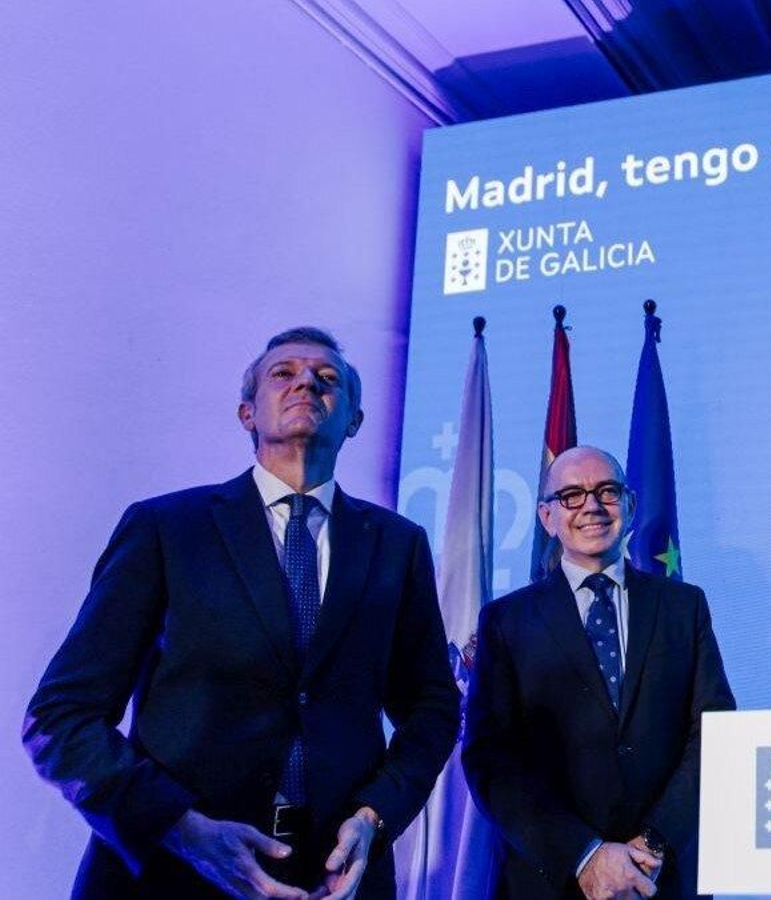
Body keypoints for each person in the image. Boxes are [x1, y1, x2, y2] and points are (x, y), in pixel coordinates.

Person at [24, 328, 459, 899]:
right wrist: (179, 828)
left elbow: (431, 708)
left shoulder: (397, 545)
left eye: (328, 378)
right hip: (170, 874)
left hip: (335, 877)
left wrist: (375, 815)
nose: (307, 382)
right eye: (284, 373)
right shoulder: (167, 529)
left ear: (353, 420)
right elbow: (61, 717)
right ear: (246, 413)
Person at [463, 446, 735, 900]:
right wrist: (585, 855)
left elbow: (713, 733)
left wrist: (652, 845)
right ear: (547, 517)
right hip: (552, 881)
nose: (591, 506)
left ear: (630, 505)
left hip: (664, 877)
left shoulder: (683, 607)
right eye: (571, 495)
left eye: (607, 491)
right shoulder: (506, 622)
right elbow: (490, 758)